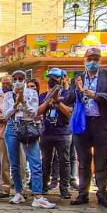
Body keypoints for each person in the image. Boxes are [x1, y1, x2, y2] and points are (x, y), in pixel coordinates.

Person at [67, 49, 107, 208]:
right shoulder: (78, 77)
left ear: (100, 60)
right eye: (89, 58)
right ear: (84, 60)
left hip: (101, 123)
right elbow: (69, 97)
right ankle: (83, 193)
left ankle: (102, 194)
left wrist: (95, 95)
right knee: (83, 160)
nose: (92, 61)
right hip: (82, 123)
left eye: (95, 58)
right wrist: (77, 89)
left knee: (101, 161)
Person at [2, 69, 54, 209]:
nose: (18, 81)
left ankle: (37, 196)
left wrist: (23, 102)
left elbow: (34, 113)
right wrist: (15, 105)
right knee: (15, 163)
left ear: (25, 80)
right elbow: (5, 115)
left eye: (21, 78)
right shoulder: (7, 95)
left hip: (28, 126)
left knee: (35, 162)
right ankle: (19, 192)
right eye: (15, 79)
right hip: (12, 126)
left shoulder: (32, 93)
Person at [37, 68, 73, 200]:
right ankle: (43, 186)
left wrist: (58, 101)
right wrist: (49, 99)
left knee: (64, 161)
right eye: (50, 77)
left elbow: (70, 112)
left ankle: (64, 188)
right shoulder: (43, 95)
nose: (52, 80)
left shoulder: (69, 94)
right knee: (46, 160)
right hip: (46, 132)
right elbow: (38, 112)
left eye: (56, 78)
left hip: (63, 132)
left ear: (63, 79)